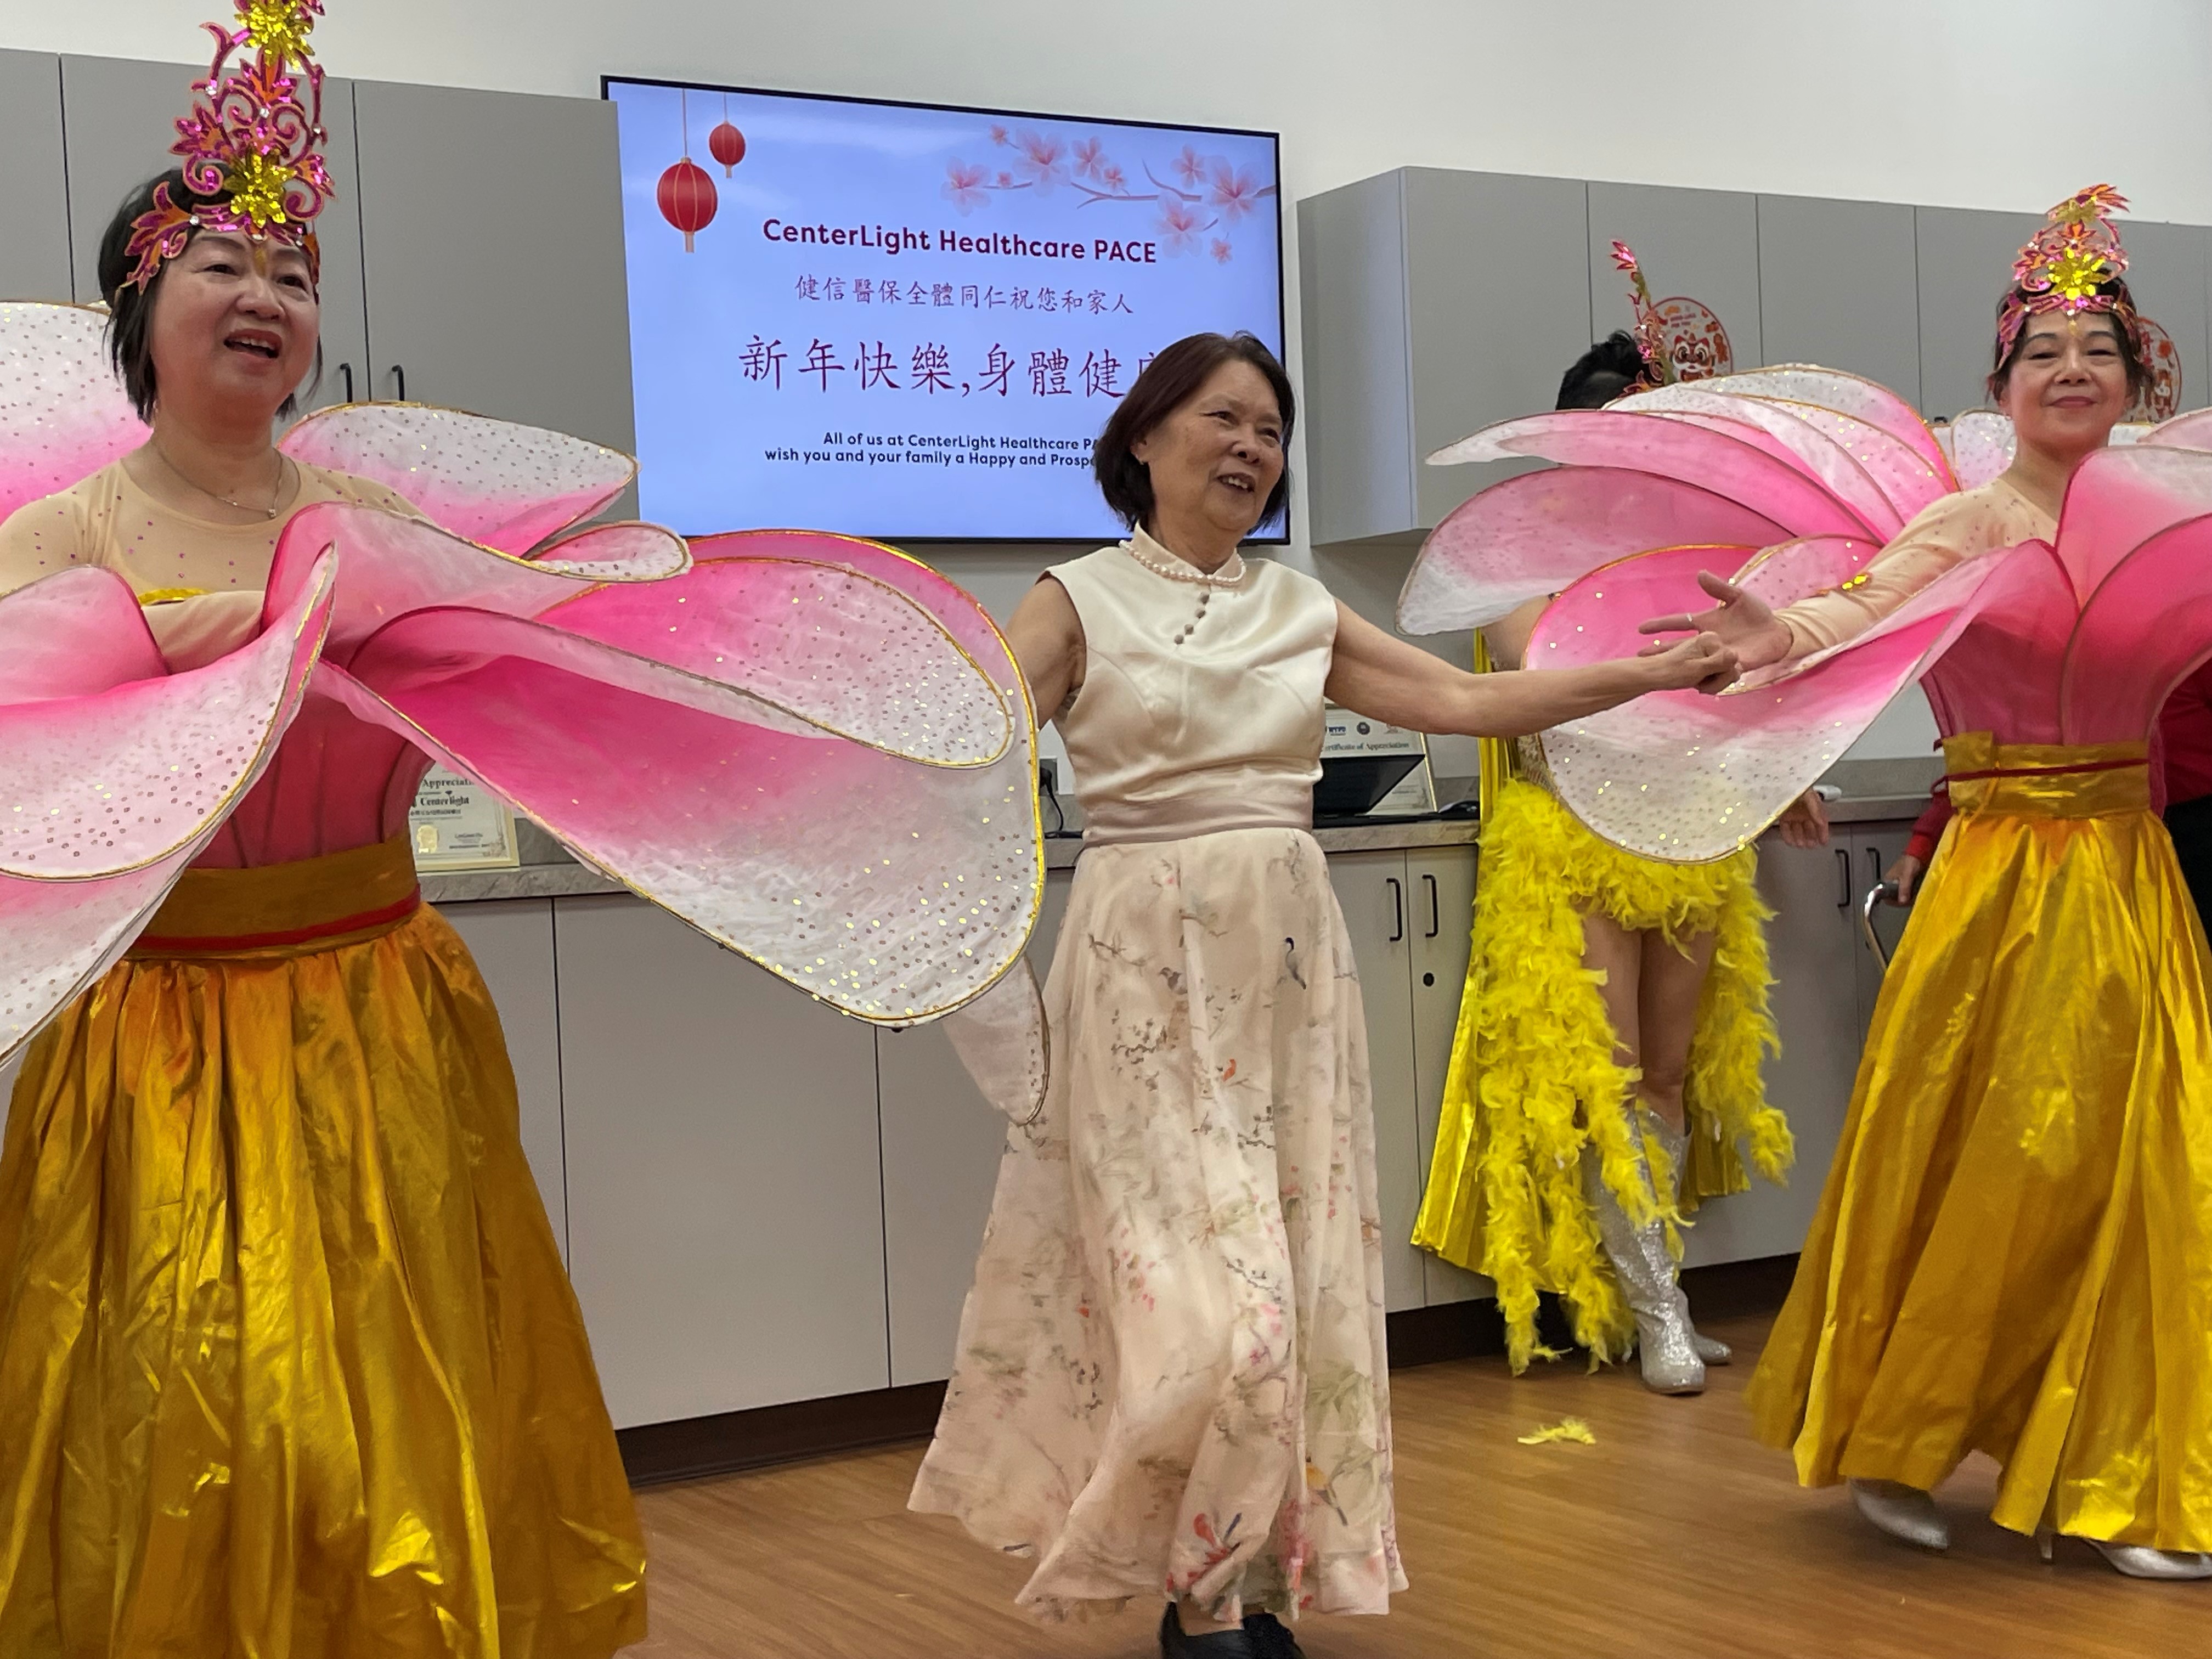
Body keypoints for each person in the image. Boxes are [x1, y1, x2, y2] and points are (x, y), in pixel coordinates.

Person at [0, 6, 1040, 1651]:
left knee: (401, 1361)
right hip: (164, 1034)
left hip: (378, 1006)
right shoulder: (59, 535)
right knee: (197, 1382)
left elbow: (546, 638)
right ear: (141, 300)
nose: (266, 294)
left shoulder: (374, 521)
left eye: (295, 272)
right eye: (222, 263)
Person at [909, 330, 1739, 1657]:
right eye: (1223, 419)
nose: (1251, 447)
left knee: (1283, 1298)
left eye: (1270, 429)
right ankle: (1201, 1584)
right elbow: (965, 752)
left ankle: (1233, 1589)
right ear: (1144, 438)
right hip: (1137, 973)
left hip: (1284, 976)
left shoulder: (1297, 608)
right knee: (1207, 1321)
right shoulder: (1075, 601)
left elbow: (1468, 698)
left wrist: (1653, 672)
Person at [1637, 187, 2212, 1578]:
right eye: (2042, 352)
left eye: (2098, 349)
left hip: (2132, 868)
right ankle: (1901, 1438)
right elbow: (1859, 605)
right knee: (1986, 1158)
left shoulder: (2174, 519)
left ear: (2139, 380)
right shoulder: (1970, 519)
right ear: (2001, 387)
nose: (2071, 368)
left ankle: (2122, 1468)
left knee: (2149, 1164)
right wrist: (1778, 635)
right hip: (2001, 878)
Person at [1412, 328, 1815, 1396]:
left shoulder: (1690, 557)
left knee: (1670, 1074)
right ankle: (1659, 1314)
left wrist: (1782, 765)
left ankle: (1659, 1295)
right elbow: (1540, 662)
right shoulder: (1521, 558)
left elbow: (1741, 677)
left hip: (1685, 835)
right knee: (1620, 1072)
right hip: (1574, 839)